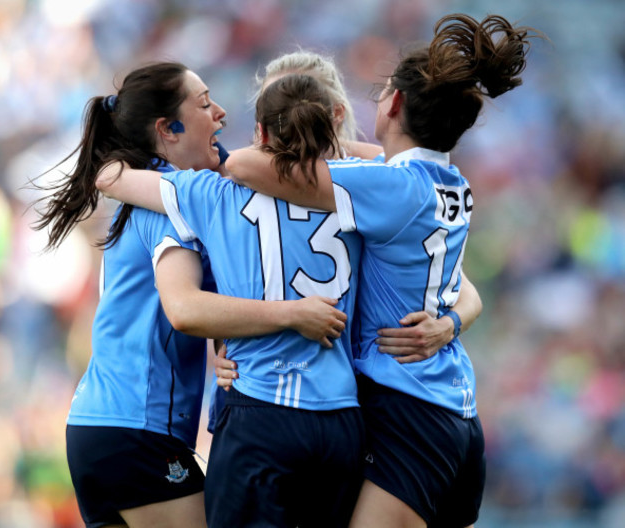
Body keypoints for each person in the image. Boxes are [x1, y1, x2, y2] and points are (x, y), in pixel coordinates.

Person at [224, 13, 538, 528]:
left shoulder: (387, 188)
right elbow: (466, 289)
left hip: (408, 410)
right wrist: (454, 323)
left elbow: (243, 166)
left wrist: (298, 132)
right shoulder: (453, 183)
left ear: (393, 104)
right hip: (454, 410)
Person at [32, 62, 349, 528]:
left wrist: (224, 345)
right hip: (139, 430)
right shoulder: (168, 207)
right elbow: (183, 309)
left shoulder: (149, 193)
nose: (220, 114)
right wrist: (292, 314)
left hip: (101, 428)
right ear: (168, 129)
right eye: (203, 104)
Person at [207, 48, 469, 434]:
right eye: (275, 105)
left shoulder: (372, 187)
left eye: (302, 100)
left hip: (354, 407)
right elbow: (212, 297)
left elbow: (461, 285)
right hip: (259, 398)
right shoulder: (239, 192)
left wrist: (449, 323)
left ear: (337, 114)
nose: (289, 114)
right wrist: (222, 345)